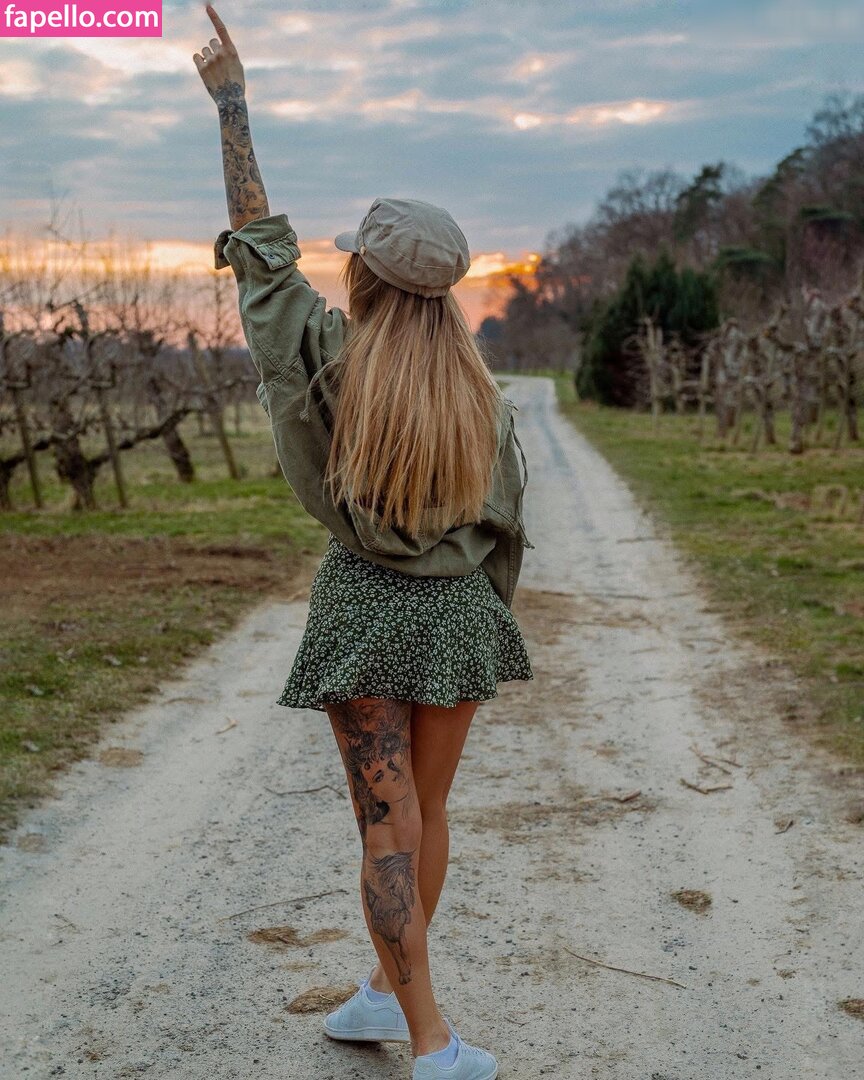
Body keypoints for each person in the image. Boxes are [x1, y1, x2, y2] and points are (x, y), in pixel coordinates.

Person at [195, 8, 534, 1078]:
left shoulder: (326, 354)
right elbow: (507, 528)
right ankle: (383, 1002)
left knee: (387, 829)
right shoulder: (483, 397)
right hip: (459, 614)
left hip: (363, 610)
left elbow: (260, 248)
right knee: (427, 816)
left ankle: (429, 1039)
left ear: (367, 277)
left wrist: (233, 105)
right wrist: (480, 615)